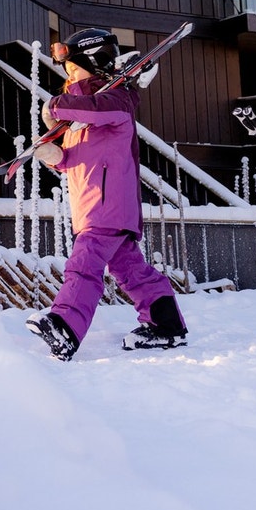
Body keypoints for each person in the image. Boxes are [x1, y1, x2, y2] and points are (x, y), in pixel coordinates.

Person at [25, 28, 187, 360]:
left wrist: (59, 105)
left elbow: (97, 110)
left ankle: (65, 327)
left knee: (84, 265)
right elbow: (83, 159)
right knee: (131, 271)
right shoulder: (80, 115)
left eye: (74, 69)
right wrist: (58, 158)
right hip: (92, 207)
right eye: (66, 71)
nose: (68, 76)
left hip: (109, 205)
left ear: (95, 63)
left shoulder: (115, 101)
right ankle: (166, 325)